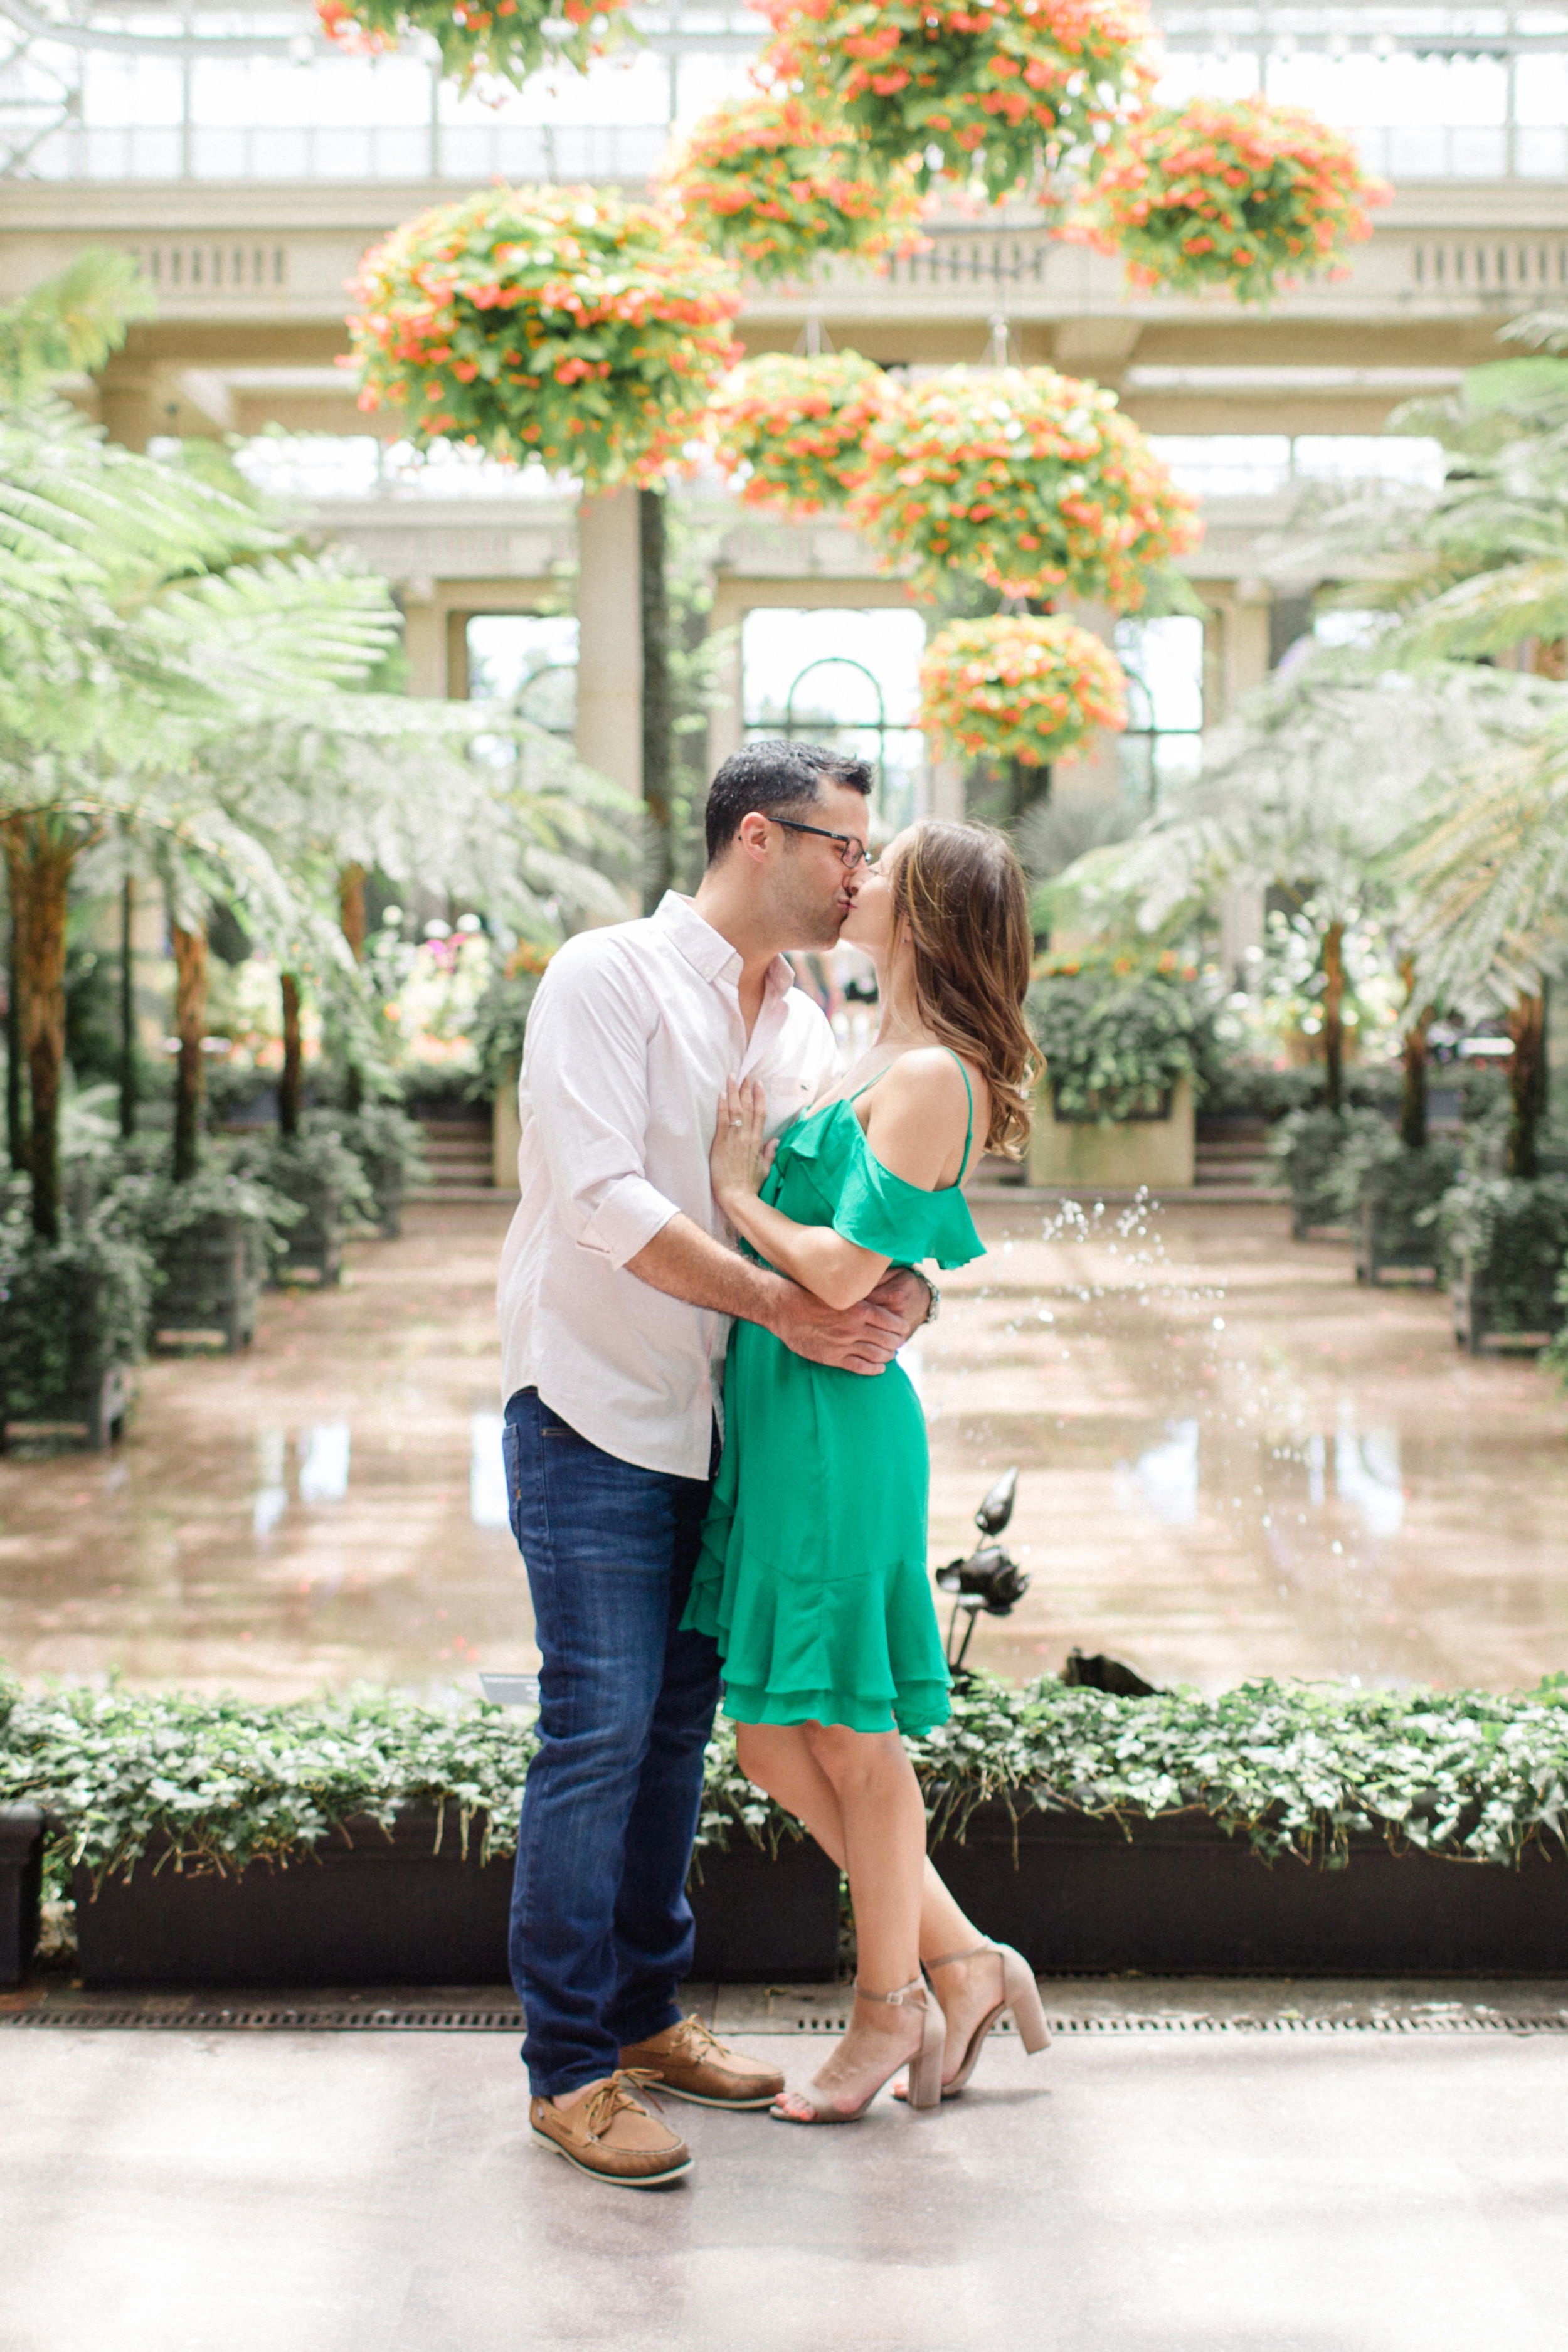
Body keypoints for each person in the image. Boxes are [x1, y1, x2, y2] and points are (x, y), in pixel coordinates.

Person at [497, 740, 935, 2188]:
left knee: (678, 1738)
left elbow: (846, 1206)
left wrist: (896, 1297)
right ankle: (569, 2069)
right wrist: (786, 1306)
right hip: (596, 1412)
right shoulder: (605, 977)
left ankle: (642, 2017)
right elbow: (600, 1197)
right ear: (761, 837)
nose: (857, 876)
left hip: (731, 1439)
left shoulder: (800, 1024)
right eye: (842, 849)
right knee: (600, 1730)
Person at [685, 817, 1051, 2122]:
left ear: (930, 911)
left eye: (879, 864)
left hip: (840, 1430)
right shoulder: (868, 1054)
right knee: (774, 1742)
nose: (857, 875)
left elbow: (842, 1272)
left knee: (849, 1732)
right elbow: (874, 1260)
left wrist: (733, 1192)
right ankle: (960, 1963)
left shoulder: (930, 1076)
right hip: (787, 1419)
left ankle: (881, 2008)